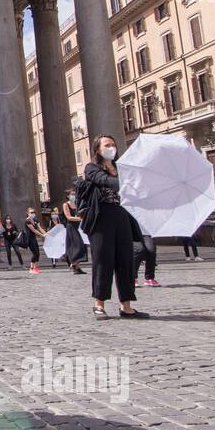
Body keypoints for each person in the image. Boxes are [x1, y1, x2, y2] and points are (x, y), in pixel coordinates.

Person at [78, 135, 149, 320]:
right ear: (97, 150)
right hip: (101, 218)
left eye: (113, 144)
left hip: (122, 216)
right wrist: (123, 183)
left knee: (125, 261)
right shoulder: (91, 168)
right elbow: (103, 180)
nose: (112, 147)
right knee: (103, 260)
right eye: (107, 145)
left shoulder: (121, 168)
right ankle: (99, 304)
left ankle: (126, 305)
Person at [60, 190, 88, 275]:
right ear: (68, 196)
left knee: (81, 245)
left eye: (74, 194)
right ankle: (73, 264)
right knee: (76, 245)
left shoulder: (76, 204)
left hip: (78, 227)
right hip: (71, 227)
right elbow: (68, 217)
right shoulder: (66, 204)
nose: (74, 195)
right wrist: (80, 218)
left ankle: (77, 266)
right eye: (72, 194)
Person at [22, 206, 46, 275]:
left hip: (34, 238)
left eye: (34, 212)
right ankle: (31, 268)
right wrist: (42, 235)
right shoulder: (27, 221)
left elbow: (40, 228)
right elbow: (34, 230)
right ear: (27, 213)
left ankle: (36, 267)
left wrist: (46, 233)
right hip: (29, 239)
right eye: (31, 212)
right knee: (35, 253)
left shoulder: (35, 220)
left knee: (37, 253)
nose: (33, 213)